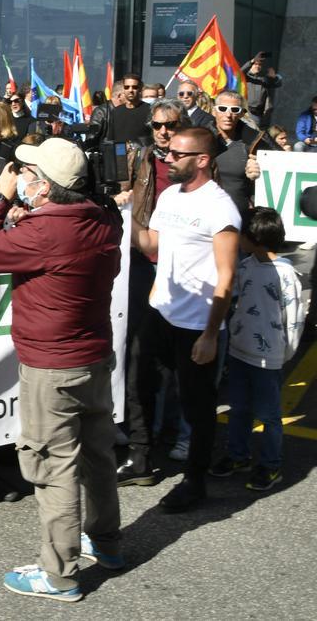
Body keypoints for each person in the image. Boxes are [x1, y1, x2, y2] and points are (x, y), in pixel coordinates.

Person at [0, 138, 124, 602]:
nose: (22, 177)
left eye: (29, 172)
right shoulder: (102, 221)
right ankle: (107, 544)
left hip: (50, 367)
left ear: (47, 187)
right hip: (93, 359)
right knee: (97, 457)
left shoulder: (45, 231)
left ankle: (59, 575)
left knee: (54, 468)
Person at [130, 127, 240, 513]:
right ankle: (140, 459)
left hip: (196, 324)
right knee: (139, 384)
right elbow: (153, 245)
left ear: (203, 160)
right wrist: (128, 218)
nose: (168, 158)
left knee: (196, 405)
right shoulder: (169, 194)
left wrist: (211, 334)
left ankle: (195, 481)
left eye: (177, 154)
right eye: (168, 152)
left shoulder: (220, 208)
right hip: (160, 311)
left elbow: (227, 276)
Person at [115, 99, 192, 484]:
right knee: (140, 356)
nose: (164, 132)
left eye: (172, 125)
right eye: (158, 125)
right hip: (144, 267)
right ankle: (140, 449)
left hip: (184, 273)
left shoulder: (197, 169)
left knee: (180, 360)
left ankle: (181, 436)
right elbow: (125, 196)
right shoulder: (141, 158)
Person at [209, 208, 303, 491]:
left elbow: (294, 318)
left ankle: (270, 465)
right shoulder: (246, 265)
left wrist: (283, 354)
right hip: (240, 351)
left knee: (269, 414)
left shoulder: (286, 275)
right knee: (239, 408)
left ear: (256, 239)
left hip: (268, 357)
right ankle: (239, 455)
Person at [213, 90, 264, 219]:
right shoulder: (201, 140)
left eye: (234, 110)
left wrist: (258, 174)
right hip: (205, 215)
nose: (228, 115)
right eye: (223, 109)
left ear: (241, 114)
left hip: (239, 217)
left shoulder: (253, 143)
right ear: (214, 111)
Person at [241, 52, 282, 127]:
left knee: (257, 132)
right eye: (255, 64)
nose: (258, 66)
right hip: (246, 112)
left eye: (260, 64)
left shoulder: (263, 79)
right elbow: (240, 72)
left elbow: (278, 84)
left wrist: (274, 77)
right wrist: (252, 61)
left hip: (259, 113)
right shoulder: (245, 77)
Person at [109, 74, 152, 144]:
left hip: (142, 153)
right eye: (127, 87)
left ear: (140, 88)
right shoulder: (116, 112)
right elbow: (110, 138)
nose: (130, 90)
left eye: (134, 87)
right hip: (119, 153)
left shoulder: (150, 110)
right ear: (123, 89)